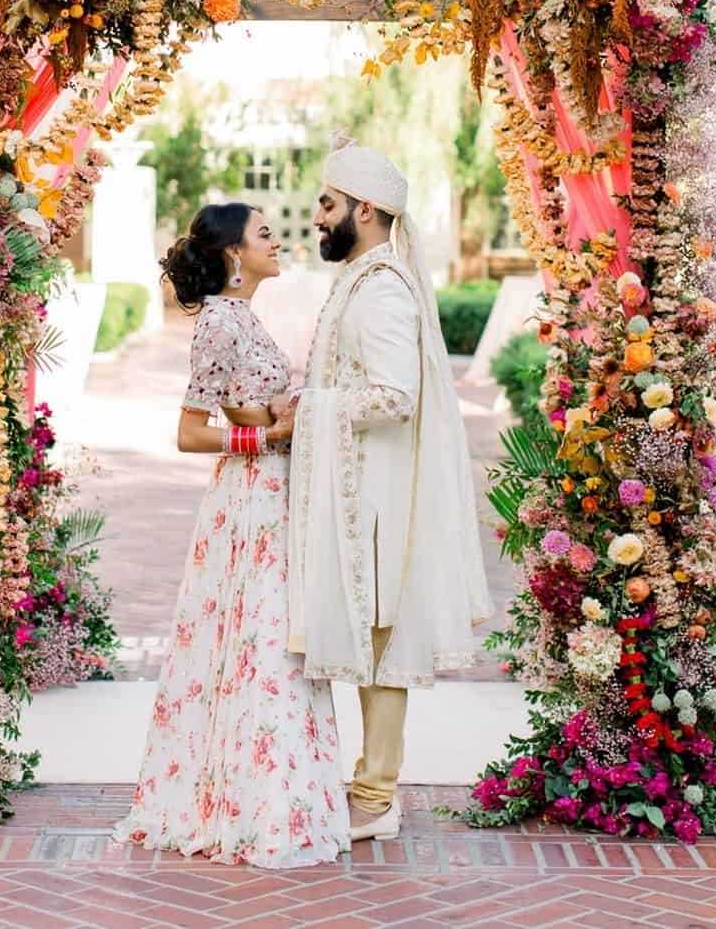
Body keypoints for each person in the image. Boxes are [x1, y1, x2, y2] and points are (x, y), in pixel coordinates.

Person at [114, 202, 349, 867]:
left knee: (274, 644)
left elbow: (258, 397)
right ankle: (249, 805)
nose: (278, 243)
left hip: (272, 494)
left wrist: (289, 410)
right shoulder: (218, 320)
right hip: (249, 498)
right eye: (265, 235)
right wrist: (266, 434)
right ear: (232, 255)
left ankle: (273, 795)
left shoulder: (245, 316)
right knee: (263, 641)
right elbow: (190, 432)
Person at [282, 136, 494, 843]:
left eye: (327, 203)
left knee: (380, 642)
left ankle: (375, 794)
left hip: (375, 497)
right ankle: (367, 785)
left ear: (365, 210)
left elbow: (395, 395)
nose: (316, 215)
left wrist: (310, 405)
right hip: (360, 487)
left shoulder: (381, 291)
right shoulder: (363, 278)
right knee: (369, 641)